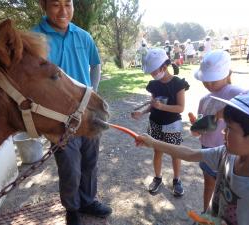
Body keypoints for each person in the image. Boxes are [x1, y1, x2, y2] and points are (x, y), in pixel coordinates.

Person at [136, 89, 249, 225]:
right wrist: (153, 142)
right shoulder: (225, 154)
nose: (223, 131)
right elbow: (190, 154)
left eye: (230, 128)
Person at [33, 1, 112, 224]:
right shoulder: (35, 37)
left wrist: (93, 92)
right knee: (70, 169)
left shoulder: (83, 36)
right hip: (60, 119)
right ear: (44, 6)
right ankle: (72, 208)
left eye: (68, 4)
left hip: (88, 115)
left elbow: (95, 65)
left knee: (90, 162)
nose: (63, 11)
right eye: (56, 5)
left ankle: (88, 201)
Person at [191, 50, 245, 212]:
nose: (208, 84)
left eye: (212, 80)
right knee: (208, 183)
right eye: (205, 80)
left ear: (228, 73)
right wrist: (196, 127)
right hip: (207, 149)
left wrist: (225, 113)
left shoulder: (235, 92)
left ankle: (220, 217)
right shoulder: (204, 100)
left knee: (228, 190)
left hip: (228, 152)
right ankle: (205, 212)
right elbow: (199, 131)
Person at [131, 48, 189, 196]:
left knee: (175, 153)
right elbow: (153, 104)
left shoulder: (178, 84)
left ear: (163, 68)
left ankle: (177, 180)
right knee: (158, 151)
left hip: (172, 125)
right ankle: (158, 178)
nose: (152, 74)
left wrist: (162, 106)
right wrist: (142, 112)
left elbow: (180, 108)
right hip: (156, 123)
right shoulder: (154, 84)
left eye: (153, 71)